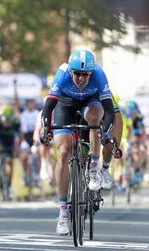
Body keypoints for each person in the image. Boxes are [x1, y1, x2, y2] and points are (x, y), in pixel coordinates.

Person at [41, 50, 115, 236]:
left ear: (91, 73)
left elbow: (109, 111)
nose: (81, 79)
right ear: (71, 71)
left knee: (94, 118)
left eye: (85, 75)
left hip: (91, 103)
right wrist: (45, 129)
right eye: (77, 74)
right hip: (65, 104)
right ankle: (63, 212)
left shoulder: (98, 74)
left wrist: (103, 131)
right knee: (64, 151)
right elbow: (48, 107)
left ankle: (93, 169)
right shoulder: (62, 73)